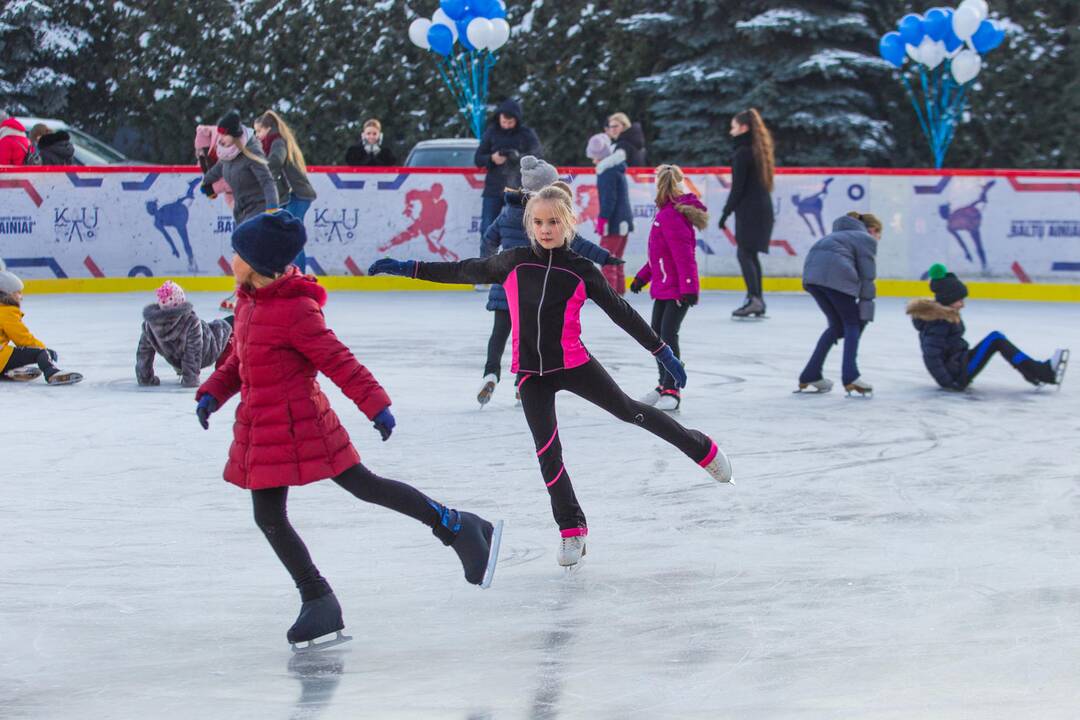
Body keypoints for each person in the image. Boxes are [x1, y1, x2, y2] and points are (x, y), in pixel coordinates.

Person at [369, 184, 733, 569]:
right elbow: (461, 270)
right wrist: (409, 268)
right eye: (539, 222)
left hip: (575, 364)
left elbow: (622, 313)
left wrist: (662, 351)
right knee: (548, 453)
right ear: (529, 224)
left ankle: (701, 449)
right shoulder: (511, 261)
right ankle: (572, 529)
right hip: (530, 373)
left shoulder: (581, 271)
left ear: (569, 223)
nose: (545, 229)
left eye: (554, 221)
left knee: (630, 411)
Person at [195, 211, 502, 651]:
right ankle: (318, 599)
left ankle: (455, 525)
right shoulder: (248, 301)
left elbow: (338, 360)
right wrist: (212, 393)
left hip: (305, 424)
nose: (232, 258)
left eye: (238, 253)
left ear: (258, 262)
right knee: (268, 515)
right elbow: (237, 360)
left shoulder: (295, 309)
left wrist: (376, 405)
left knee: (365, 487)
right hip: (263, 428)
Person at [477, 159, 623, 407]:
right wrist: (606, 258)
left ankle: (490, 373)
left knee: (499, 333)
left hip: (505, 283)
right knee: (528, 338)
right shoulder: (548, 213)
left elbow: (488, 239)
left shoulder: (507, 211)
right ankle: (521, 384)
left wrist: (490, 265)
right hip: (534, 290)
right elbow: (577, 243)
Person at [907, 264, 1068, 391]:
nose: (963, 304)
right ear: (948, 299)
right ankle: (1041, 373)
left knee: (996, 338)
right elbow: (931, 356)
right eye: (959, 300)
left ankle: (1035, 373)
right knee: (996, 339)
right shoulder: (939, 321)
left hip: (960, 363)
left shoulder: (946, 315)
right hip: (958, 373)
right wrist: (949, 383)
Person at [629, 165, 706, 411]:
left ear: (660, 186)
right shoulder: (665, 214)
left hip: (677, 290)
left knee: (668, 337)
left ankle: (673, 389)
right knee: (656, 336)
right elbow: (658, 257)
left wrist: (688, 288)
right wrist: (642, 278)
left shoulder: (671, 216)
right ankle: (663, 384)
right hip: (665, 288)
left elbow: (684, 256)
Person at [201, 110, 279, 310]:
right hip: (241, 208)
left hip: (258, 207)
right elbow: (220, 168)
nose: (220, 138)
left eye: (224, 134)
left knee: (246, 252)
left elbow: (268, 181)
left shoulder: (251, 151)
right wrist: (206, 183)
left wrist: (272, 210)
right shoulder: (228, 151)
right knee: (243, 250)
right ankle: (251, 291)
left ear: (235, 135)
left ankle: (244, 293)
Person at [797, 212, 880, 396]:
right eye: (878, 235)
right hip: (836, 278)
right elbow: (867, 278)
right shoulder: (865, 239)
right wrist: (865, 313)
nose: (877, 239)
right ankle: (851, 375)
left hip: (812, 280)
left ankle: (811, 373)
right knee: (852, 324)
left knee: (836, 327)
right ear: (872, 230)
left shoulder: (833, 236)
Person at [719, 108, 775, 319]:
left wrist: (725, 213)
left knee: (744, 253)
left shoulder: (743, 153)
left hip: (751, 211)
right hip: (761, 209)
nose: (731, 131)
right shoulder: (757, 149)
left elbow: (738, 188)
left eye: (733, 127)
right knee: (750, 254)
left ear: (743, 128)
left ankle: (755, 299)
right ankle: (756, 299)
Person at [136, 281, 233, 388]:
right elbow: (193, 352)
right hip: (210, 349)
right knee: (228, 326)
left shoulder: (149, 325)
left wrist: (145, 378)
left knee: (224, 326)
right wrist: (190, 379)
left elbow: (143, 354)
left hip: (179, 358)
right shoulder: (190, 322)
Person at [254, 110, 318, 271]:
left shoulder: (277, 141)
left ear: (268, 128)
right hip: (294, 195)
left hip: (297, 195)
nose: (256, 135)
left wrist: (263, 174)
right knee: (287, 236)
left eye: (259, 131)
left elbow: (276, 160)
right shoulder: (272, 142)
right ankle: (292, 275)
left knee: (291, 237)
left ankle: (299, 277)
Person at [0, 269, 82, 385]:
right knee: (40, 353)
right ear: (6, 294)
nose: (21, 297)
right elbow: (23, 339)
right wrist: (44, 350)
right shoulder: (6, 311)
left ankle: (7, 373)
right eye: (18, 292)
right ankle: (52, 373)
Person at [474, 99, 542, 236]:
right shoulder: (491, 133)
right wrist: (492, 158)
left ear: (517, 120)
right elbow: (478, 158)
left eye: (510, 123)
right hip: (493, 188)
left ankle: (519, 256)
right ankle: (487, 257)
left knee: (521, 229)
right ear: (499, 118)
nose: (506, 125)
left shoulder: (526, 134)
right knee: (488, 228)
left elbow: (538, 155)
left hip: (519, 188)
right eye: (504, 122)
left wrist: (518, 157)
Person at [587, 133, 634, 294]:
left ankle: (610, 296)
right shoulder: (616, 169)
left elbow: (609, 200)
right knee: (616, 259)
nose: (593, 161)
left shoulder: (606, 172)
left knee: (607, 259)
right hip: (623, 221)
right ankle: (619, 291)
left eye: (595, 157)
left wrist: (603, 219)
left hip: (614, 223)